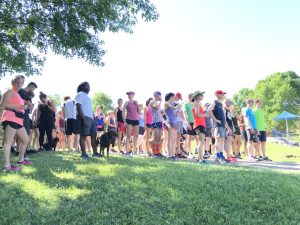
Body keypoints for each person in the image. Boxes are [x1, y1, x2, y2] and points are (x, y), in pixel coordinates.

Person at [1, 75, 32, 171]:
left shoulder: (17, 94)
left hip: (18, 120)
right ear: (12, 82)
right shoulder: (9, 91)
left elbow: (20, 104)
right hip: (11, 118)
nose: (19, 84)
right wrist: (21, 107)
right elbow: (3, 104)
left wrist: (27, 104)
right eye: (17, 82)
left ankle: (21, 159)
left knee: (26, 140)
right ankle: (7, 166)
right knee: (8, 142)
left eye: (21, 83)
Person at [75, 82, 95, 158]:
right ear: (82, 86)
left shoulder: (87, 96)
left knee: (92, 135)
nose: (88, 87)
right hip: (84, 117)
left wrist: (93, 119)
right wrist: (84, 119)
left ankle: (95, 153)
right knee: (83, 136)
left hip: (90, 119)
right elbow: (78, 106)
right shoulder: (80, 94)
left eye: (89, 85)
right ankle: (84, 154)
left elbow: (90, 109)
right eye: (87, 85)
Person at [208, 90, 227, 163]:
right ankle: (217, 156)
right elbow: (209, 110)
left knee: (222, 139)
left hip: (222, 125)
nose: (222, 95)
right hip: (217, 125)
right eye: (221, 94)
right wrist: (215, 119)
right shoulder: (214, 102)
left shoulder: (221, 104)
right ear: (217, 94)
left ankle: (221, 155)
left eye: (223, 94)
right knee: (218, 139)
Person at [123, 91, 140, 156]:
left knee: (136, 136)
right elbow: (123, 112)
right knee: (128, 136)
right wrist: (124, 121)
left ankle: (134, 151)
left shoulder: (136, 102)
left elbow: (138, 111)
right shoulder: (127, 102)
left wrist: (137, 105)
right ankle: (127, 152)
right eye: (128, 94)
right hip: (129, 120)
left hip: (136, 120)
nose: (129, 95)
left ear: (133, 95)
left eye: (131, 94)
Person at [192, 91, 207, 164]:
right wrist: (205, 115)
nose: (203, 96)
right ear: (197, 96)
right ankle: (201, 160)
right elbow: (197, 114)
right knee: (201, 142)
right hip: (199, 124)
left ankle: (199, 158)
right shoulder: (197, 103)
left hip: (200, 124)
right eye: (201, 95)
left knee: (201, 141)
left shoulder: (198, 103)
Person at [164, 93, 180, 160]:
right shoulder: (166, 103)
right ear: (171, 97)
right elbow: (174, 108)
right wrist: (178, 105)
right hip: (170, 122)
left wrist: (178, 109)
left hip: (175, 122)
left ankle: (173, 154)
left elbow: (176, 112)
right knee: (170, 139)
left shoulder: (173, 103)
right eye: (174, 96)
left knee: (174, 139)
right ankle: (170, 155)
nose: (175, 97)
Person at [149, 91, 164, 157]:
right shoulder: (152, 101)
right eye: (158, 96)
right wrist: (160, 102)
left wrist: (162, 112)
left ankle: (158, 152)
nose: (159, 97)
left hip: (160, 121)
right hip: (155, 122)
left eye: (160, 95)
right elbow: (156, 107)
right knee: (155, 138)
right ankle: (153, 152)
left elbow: (159, 111)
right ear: (155, 96)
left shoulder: (158, 103)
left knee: (159, 138)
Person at [174, 92, 187, 158]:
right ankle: (175, 152)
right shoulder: (172, 103)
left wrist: (184, 120)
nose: (178, 99)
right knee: (175, 138)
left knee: (178, 138)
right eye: (178, 98)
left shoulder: (178, 104)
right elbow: (175, 113)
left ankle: (178, 152)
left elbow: (181, 113)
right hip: (175, 122)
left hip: (180, 121)